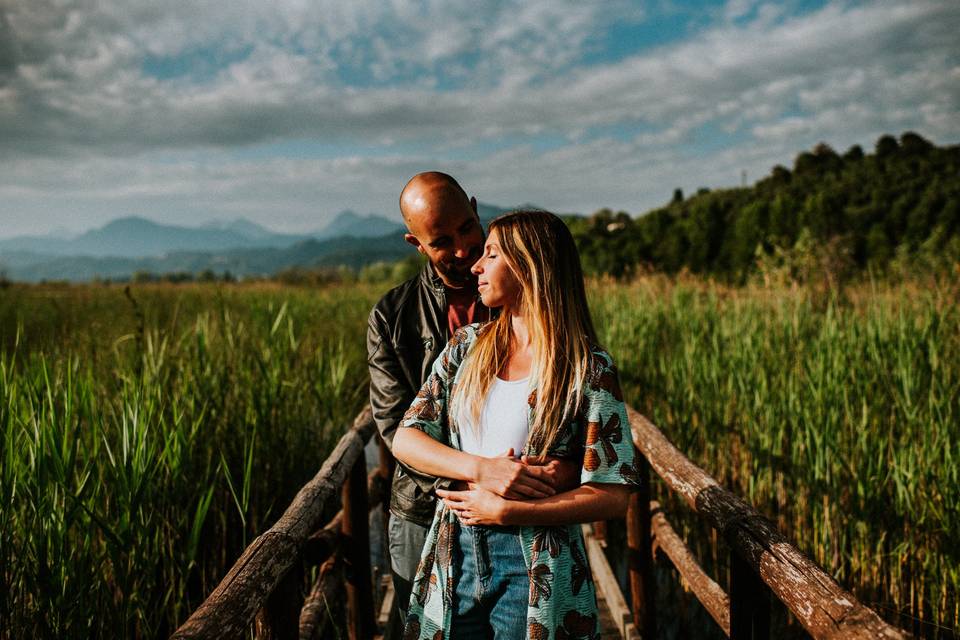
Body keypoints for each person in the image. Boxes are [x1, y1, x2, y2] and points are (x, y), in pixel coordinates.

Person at [393, 210, 640, 639]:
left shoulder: (587, 367)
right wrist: (483, 470)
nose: (476, 267)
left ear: (529, 266)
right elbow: (407, 438)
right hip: (455, 551)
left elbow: (613, 494)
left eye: (491, 255)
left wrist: (512, 510)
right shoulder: (466, 347)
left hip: (533, 562)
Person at [367, 174, 577, 628]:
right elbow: (395, 427)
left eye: (467, 228)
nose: (465, 251)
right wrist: (479, 480)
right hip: (425, 512)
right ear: (416, 243)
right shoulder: (392, 316)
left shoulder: (518, 291)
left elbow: (566, 407)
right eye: (442, 241)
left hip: (520, 522)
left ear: (476, 209)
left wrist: (560, 467)